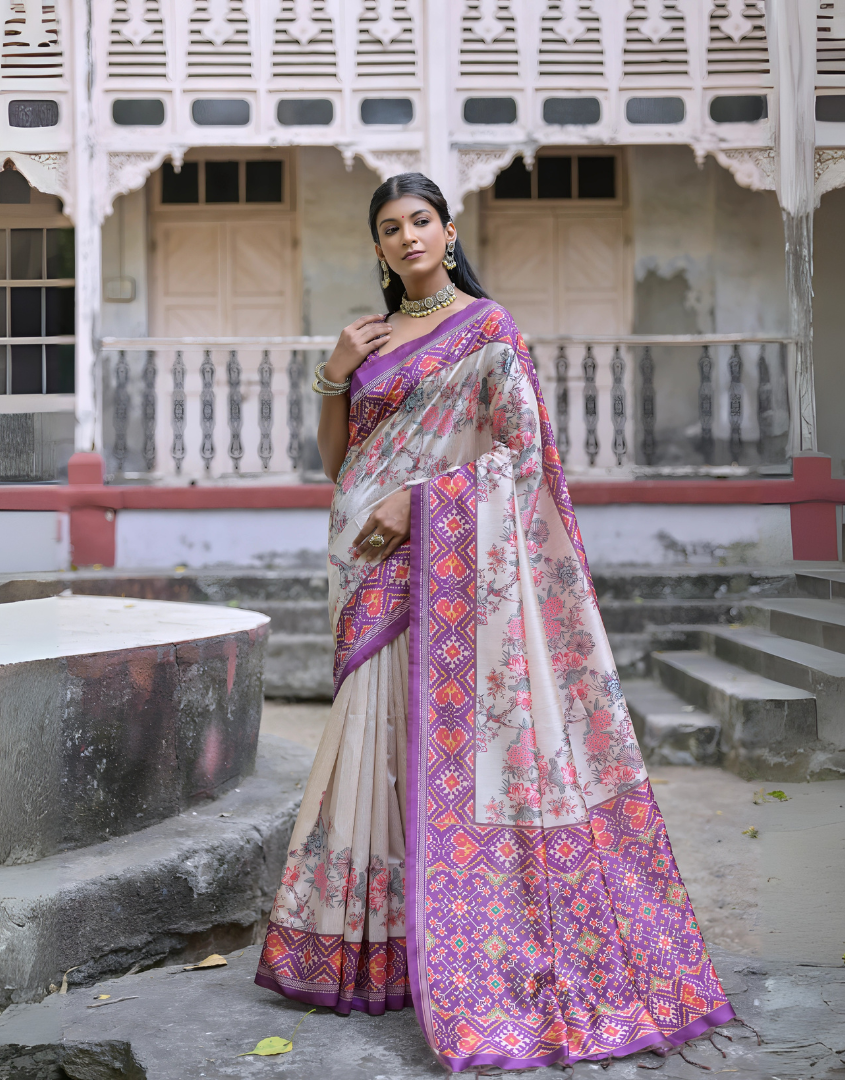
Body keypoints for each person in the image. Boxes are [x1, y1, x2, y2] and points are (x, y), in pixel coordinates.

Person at [255, 172, 733, 1071]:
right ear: (379, 246)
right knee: (369, 747)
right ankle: (367, 952)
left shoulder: (487, 330)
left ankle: (457, 945)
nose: (407, 238)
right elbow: (340, 462)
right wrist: (336, 371)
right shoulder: (372, 336)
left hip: (438, 554)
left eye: (420, 221)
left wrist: (423, 503)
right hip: (363, 558)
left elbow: (523, 459)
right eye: (390, 227)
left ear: (447, 228)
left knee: (418, 747)